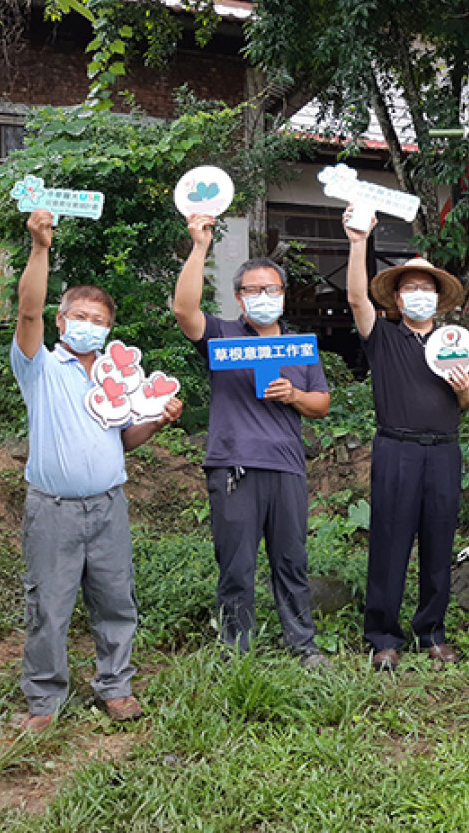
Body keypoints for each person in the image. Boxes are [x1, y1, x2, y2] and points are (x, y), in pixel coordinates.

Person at [12, 209, 183, 731]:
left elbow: (125, 439)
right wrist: (40, 248)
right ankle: (44, 699)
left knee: (116, 599)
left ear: (110, 329)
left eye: (99, 320)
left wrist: (157, 419)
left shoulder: (119, 378)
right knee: (49, 605)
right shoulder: (38, 366)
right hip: (53, 510)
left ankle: (115, 686)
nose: (88, 326)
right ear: (61, 322)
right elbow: (26, 313)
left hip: (109, 505)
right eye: (78, 317)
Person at [173, 212, 330, 667]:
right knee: (237, 566)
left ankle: (303, 645)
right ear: (239, 299)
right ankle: (235, 649)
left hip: (286, 467)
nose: (263, 297)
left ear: (284, 295)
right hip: (233, 465)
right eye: (253, 291)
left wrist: (295, 394)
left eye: (272, 290)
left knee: (291, 561)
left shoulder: (299, 346)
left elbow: (322, 403)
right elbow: (184, 310)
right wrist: (199, 246)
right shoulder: (222, 335)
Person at [345, 211, 469, 671]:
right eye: (410, 288)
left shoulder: (455, 340)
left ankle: (432, 631)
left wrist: (464, 390)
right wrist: (359, 241)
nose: (419, 295)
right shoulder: (382, 336)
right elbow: (357, 296)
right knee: (390, 541)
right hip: (395, 448)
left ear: (439, 299)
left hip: (443, 449)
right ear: (397, 298)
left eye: (427, 288)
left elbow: (466, 401)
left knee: (439, 540)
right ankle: (383, 635)